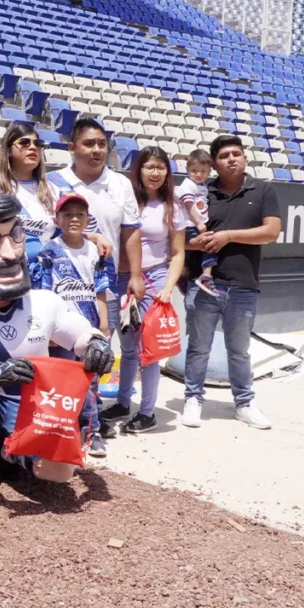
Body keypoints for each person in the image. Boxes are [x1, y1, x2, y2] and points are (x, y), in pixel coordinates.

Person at [0, 196, 114, 513]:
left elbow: (79, 333)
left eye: (15, 236)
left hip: (29, 405)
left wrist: (96, 345)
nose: (9, 252)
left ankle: (7, 451)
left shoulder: (44, 302)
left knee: (60, 472)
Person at [48, 117, 143, 439]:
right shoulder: (53, 182)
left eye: (102, 144)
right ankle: (60, 419)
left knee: (96, 353)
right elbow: (51, 230)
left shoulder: (120, 184)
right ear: (71, 148)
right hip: (60, 288)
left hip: (102, 287)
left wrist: (135, 274)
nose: (97, 150)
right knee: (59, 356)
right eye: (89, 144)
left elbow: (131, 232)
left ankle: (90, 420)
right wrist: (91, 236)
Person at [183, 135, 281, 430]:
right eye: (224, 155)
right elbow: (179, 236)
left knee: (239, 351)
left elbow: (271, 232)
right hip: (204, 284)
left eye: (236, 153)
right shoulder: (202, 191)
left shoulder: (263, 189)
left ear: (245, 158)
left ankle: (244, 403)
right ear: (214, 164)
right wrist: (194, 243)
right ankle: (193, 399)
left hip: (244, 285)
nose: (231, 159)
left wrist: (228, 236)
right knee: (198, 348)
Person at [99, 147, 188, 434]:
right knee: (127, 348)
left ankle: (147, 412)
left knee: (148, 350)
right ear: (138, 170)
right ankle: (123, 403)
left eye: (161, 167)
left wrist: (167, 288)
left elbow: (178, 253)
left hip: (153, 281)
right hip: (119, 279)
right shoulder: (125, 200)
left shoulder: (173, 206)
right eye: (149, 166)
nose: (155, 172)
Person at [35, 191, 109, 457]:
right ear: (57, 219)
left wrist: (104, 324)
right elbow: (43, 291)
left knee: (89, 381)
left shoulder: (96, 251)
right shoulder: (49, 250)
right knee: (61, 381)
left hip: (89, 327)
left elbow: (100, 289)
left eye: (80, 214)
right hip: (61, 329)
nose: (74, 219)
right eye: (67, 214)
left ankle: (92, 431)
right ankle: (61, 430)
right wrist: (47, 329)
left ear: (88, 219)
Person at [0, 122, 64, 264]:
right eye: (24, 143)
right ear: (8, 150)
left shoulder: (54, 190)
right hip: (6, 267)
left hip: (45, 270)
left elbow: (63, 235)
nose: (32, 147)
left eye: (37, 144)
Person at [178, 149, 218, 297]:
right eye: (194, 171)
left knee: (190, 254)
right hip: (191, 225)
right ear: (187, 169)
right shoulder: (187, 185)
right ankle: (206, 276)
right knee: (209, 245)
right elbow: (189, 206)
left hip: (196, 224)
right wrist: (199, 223)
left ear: (209, 171)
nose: (198, 174)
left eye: (203, 171)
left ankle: (183, 275)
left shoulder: (202, 186)